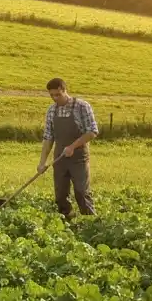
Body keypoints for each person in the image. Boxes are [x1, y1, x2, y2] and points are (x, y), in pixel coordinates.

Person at [37, 77, 99, 218]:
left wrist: (72, 147)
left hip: (79, 158)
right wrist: (42, 162)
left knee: (81, 192)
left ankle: (90, 221)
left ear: (65, 90)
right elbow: (48, 137)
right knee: (60, 195)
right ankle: (67, 220)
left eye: (58, 94)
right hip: (60, 158)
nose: (55, 98)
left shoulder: (82, 106)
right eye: (52, 95)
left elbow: (92, 131)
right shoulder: (52, 110)